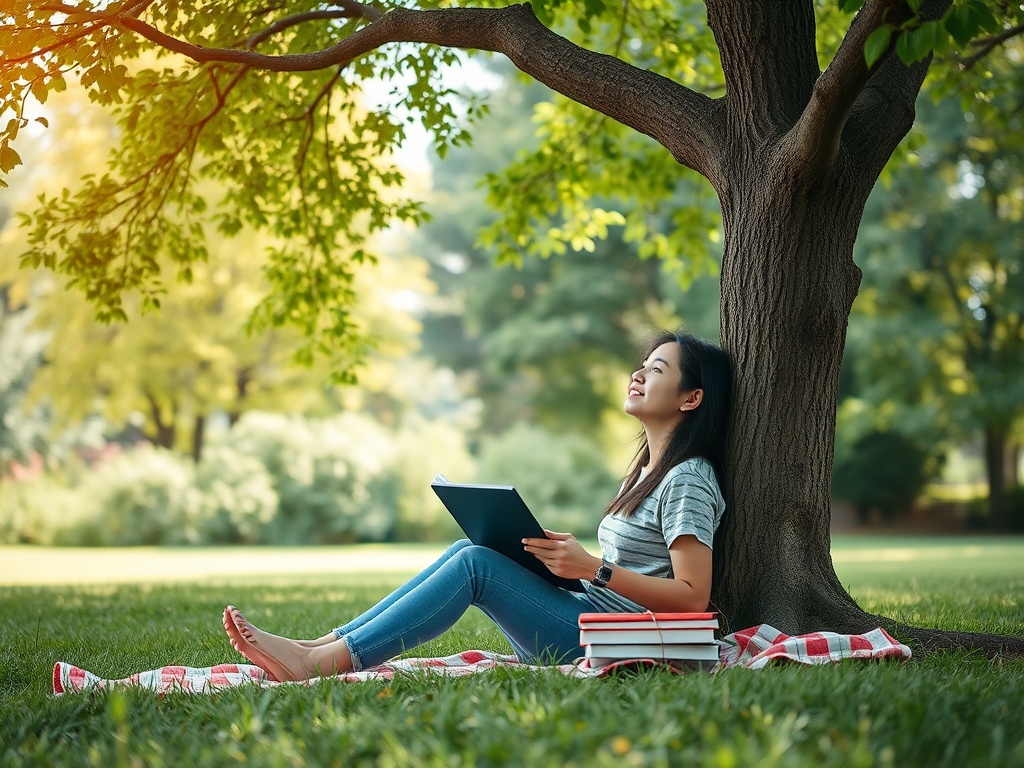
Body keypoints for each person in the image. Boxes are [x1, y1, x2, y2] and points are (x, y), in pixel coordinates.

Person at [223, 329, 732, 681]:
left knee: (475, 565)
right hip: (586, 618)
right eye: (641, 366)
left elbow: (691, 597)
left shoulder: (688, 478)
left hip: (613, 643)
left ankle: (325, 661)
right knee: (470, 547)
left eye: (658, 369)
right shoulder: (646, 469)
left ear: (691, 399)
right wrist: (558, 559)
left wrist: (593, 570)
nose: (638, 375)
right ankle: (321, 646)